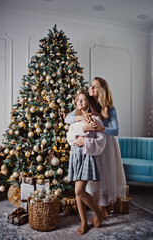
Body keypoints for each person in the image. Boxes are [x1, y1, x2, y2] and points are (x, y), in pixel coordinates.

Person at [65, 76, 126, 218]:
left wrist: (100, 128)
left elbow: (116, 131)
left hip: (107, 144)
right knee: (96, 177)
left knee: (105, 175)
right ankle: (100, 208)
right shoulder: (87, 102)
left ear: (102, 90)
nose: (91, 88)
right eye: (91, 85)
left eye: (95, 86)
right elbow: (67, 118)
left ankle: (105, 207)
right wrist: (79, 118)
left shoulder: (109, 108)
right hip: (92, 144)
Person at [67, 91, 106, 235]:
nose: (80, 102)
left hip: (87, 155)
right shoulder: (75, 120)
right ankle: (84, 222)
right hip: (76, 156)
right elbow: (69, 136)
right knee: (78, 193)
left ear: (89, 102)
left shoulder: (96, 119)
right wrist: (83, 128)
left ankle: (99, 214)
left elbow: (102, 140)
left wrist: (86, 141)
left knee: (79, 190)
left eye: (83, 100)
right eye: (78, 100)